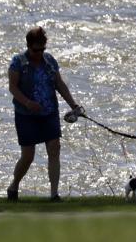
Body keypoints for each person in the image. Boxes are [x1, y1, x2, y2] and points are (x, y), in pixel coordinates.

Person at [6, 26, 83, 202]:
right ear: (28, 46)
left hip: (49, 113)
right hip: (25, 115)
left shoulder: (49, 61)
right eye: (36, 50)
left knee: (54, 149)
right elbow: (13, 87)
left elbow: (59, 84)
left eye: (42, 49)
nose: (39, 53)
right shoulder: (18, 62)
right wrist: (27, 103)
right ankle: (14, 185)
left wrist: (74, 105)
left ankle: (54, 194)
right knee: (28, 156)